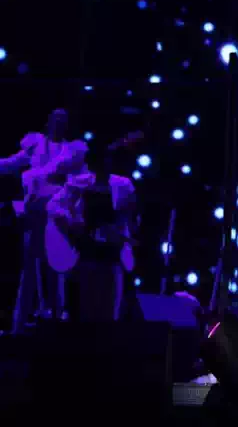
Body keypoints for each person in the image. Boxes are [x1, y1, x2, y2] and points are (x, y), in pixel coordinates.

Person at [0, 109, 88, 331]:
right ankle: (19, 325)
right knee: (29, 269)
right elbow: (11, 163)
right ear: (48, 122)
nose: (59, 122)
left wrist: (74, 211)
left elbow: (83, 180)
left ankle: (55, 323)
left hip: (56, 215)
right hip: (34, 213)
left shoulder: (73, 151)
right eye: (56, 118)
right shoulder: (36, 144)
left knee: (55, 268)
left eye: (64, 120)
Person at [45, 141, 137, 322]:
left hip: (111, 254)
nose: (105, 165)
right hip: (86, 253)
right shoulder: (79, 183)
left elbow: (129, 216)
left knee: (109, 311)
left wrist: (123, 228)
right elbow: (53, 206)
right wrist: (72, 223)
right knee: (85, 309)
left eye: (107, 161)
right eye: (100, 162)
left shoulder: (123, 185)